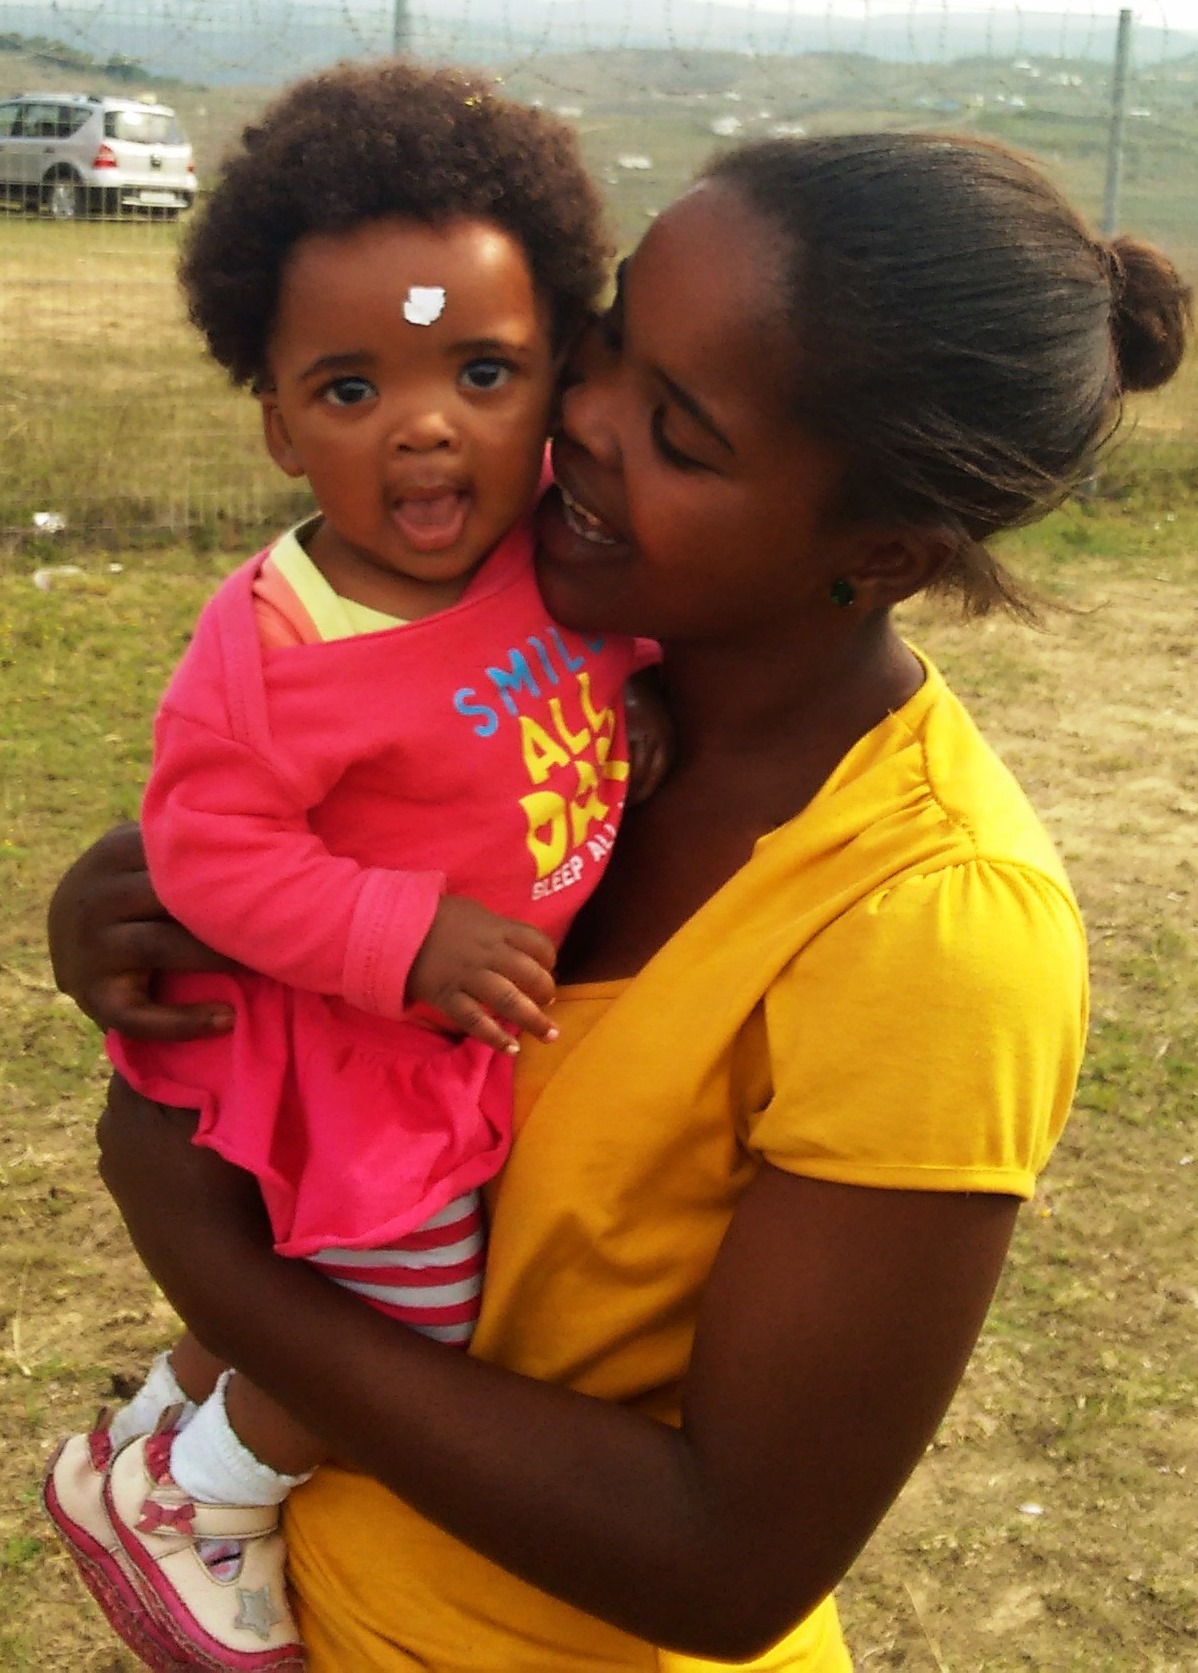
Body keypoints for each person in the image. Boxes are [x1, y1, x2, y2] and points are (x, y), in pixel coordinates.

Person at [48, 131, 1190, 1672]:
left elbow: (726, 1560)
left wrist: (213, 1266)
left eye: (680, 434)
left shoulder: (932, 926)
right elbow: (286, 844)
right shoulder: (523, 659)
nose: (576, 419)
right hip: (311, 1605)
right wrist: (133, 910)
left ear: (877, 553)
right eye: (602, 341)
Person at [40, 59, 665, 1673]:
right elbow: (207, 850)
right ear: (275, 425)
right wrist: (406, 934)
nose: (425, 425)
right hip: (361, 1050)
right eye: (348, 389)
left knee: (316, 1291)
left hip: (455, 1033)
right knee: (405, 1315)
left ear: (555, 379)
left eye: (481, 370)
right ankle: (207, 1492)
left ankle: (148, 1435)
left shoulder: (551, 545)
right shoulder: (277, 643)